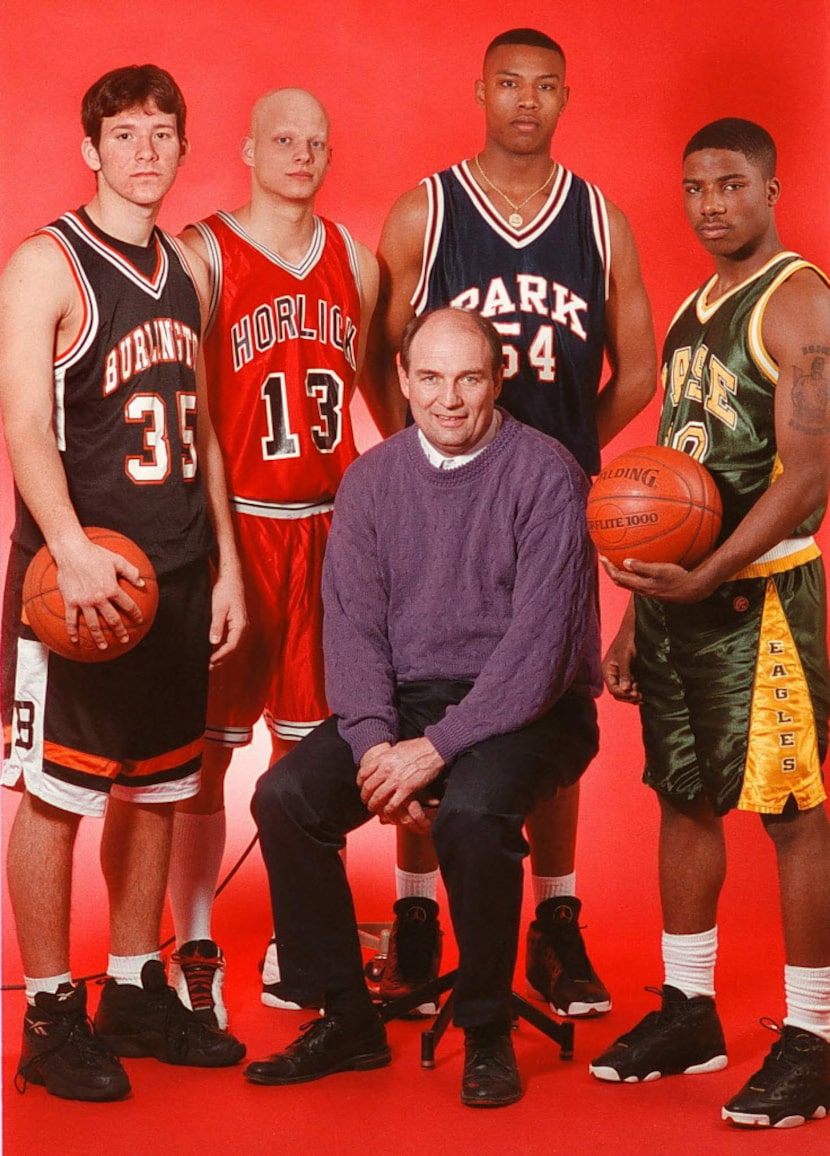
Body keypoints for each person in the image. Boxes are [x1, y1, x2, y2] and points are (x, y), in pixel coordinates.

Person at [364, 27, 655, 1017]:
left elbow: (640, 368)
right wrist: (420, 460)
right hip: (445, 499)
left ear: (564, 97)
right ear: (478, 90)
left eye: (542, 86)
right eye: (506, 84)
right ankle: (413, 918)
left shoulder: (599, 219)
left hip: (558, 510)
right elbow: (380, 352)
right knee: (421, 691)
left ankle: (555, 924)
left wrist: (571, 451)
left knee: (546, 697)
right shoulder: (426, 211)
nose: (524, 101)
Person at [244, 306, 601, 1107]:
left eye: (469, 378)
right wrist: (376, 747)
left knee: (470, 817)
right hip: (408, 701)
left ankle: (483, 1028)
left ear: (497, 379)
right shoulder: (372, 482)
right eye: (430, 378)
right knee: (286, 796)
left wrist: (434, 751)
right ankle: (346, 1020)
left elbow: (538, 654)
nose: (449, 399)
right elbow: (356, 630)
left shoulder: (546, 473)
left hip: (532, 707)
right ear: (401, 379)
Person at [0, 65, 248, 1103]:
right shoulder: (43, 264)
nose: (146, 151)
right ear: (90, 150)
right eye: (126, 134)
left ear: (183, 150)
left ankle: (137, 986)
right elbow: (21, 424)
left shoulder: (191, 266)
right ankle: (52, 1011)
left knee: (157, 786)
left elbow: (202, 432)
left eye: (163, 134)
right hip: (81, 580)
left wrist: (226, 561)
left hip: (178, 575)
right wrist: (68, 547)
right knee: (57, 795)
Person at [590, 118, 830, 1130]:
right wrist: (639, 607)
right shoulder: (693, 308)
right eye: (692, 188)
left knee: (792, 813)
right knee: (681, 798)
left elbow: (813, 467)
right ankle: (688, 1008)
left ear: (770, 188)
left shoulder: (799, 304)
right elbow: (667, 475)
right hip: (678, 604)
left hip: (763, 594)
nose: (708, 204)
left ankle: (815, 1038)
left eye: (728, 185)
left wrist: (710, 571)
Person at [171, 88, 379, 1027]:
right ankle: (197, 941)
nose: (301, 154)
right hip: (238, 525)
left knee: (306, 763)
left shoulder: (359, 265)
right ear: (249, 148)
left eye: (316, 141)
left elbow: (393, 403)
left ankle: (301, 947)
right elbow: (192, 415)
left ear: (331, 154)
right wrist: (211, 553)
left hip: (329, 530)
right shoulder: (204, 253)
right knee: (204, 760)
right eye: (283, 139)